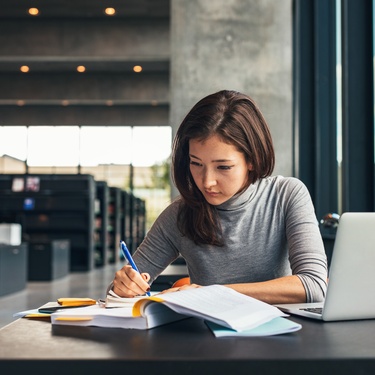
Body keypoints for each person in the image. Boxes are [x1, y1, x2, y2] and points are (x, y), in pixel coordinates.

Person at [110, 90, 328, 304]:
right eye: (196, 163)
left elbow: (314, 285)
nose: (207, 182)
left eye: (223, 167)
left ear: (252, 160)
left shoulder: (286, 195)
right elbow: (115, 296)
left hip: (281, 334)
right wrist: (122, 287)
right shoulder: (178, 215)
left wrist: (211, 293)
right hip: (207, 338)